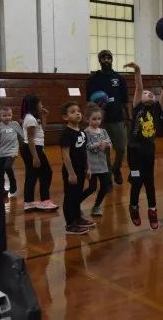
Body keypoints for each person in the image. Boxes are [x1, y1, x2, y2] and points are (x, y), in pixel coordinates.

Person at [125, 62, 163, 230]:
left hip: (148, 150)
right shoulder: (137, 107)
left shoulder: (157, 109)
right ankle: (133, 207)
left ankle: (152, 211)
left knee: (150, 182)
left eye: (151, 93)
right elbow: (139, 87)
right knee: (137, 181)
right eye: (146, 93)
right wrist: (138, 71)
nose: (149, 94)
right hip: (134, 150)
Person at [86, 50, 130, 186]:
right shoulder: (92, 80)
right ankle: (108, 175)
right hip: (100, 122)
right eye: (103, 58)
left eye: (108, 57)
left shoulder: (120, 79)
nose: (106, 60)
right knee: (104, 150)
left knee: (121, 149)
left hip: (117, 119)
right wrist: (90, 117)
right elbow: (89, 102)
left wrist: (129, 117)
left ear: (112, 60)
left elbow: (125, 100)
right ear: (99, 60)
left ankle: (116, 169)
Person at [59, 101, 94, 235]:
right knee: (70, 197)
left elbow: (85, 151)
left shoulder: (82, 132)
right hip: (71, 171)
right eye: (73, 112)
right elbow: (65, 155)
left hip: (81, 170)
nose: (77, 113)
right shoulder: (66, 133)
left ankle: (77, 218)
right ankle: (70, 224)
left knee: (77, 196)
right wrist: (71, 173)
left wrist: (88, 168)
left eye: (78, 111)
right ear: (65, 117)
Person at [20, 95, 59, 213]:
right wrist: (36, 157)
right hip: (32, 148)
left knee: (34, 175)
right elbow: (31, 139)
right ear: (34, 105)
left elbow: (42, 130)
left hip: (35, 148)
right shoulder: (30, 119)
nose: (42, 106)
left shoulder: (33, 118)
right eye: (40, 104)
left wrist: (44, 116)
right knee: (46, 173)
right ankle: (44, 200)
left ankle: (29, 201)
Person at [83, 104, 113, 217]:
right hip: (92, 166)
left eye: (99, 119)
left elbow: (110, 144)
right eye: (94, 119)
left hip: (103, 165)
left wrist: (107, 145)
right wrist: (99, 144)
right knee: (92, 188)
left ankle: (96, 206)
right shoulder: (86, 132)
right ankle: (76, 202)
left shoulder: (103, 131)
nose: (97, 121)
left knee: (105, 187)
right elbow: (88, 147)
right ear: (87, 119)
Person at [0, 107, 24, 198]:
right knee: (0, 172)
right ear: (0, 116)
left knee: (8, 166)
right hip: (1, 152)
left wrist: (20, 146)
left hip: (12, 151)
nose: (7, 117)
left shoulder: (15, 124)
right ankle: (2, 191)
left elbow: (22, 136)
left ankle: (12, 182)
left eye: (9, 115)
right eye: (4, 116)